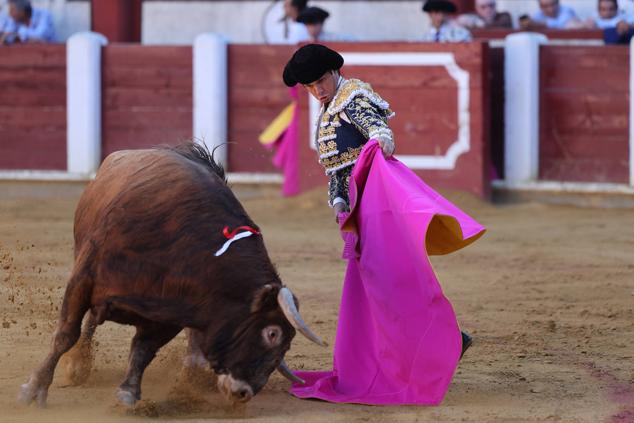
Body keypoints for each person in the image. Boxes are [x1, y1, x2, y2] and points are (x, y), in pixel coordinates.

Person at [281, 44, 484, 405]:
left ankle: (445, 341)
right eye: (310, 86)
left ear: (333, 71)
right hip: (360, 208)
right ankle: (439, 343)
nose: (318, 91)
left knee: (387, 283)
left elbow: (379, 132)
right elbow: (337, 170)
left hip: (378, 203)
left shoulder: (353, 96)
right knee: (376, 288)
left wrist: (380, 141)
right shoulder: (329, 108)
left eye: (321, 81)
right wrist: (339, 199)